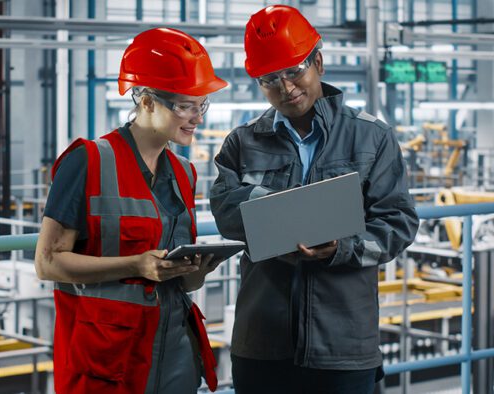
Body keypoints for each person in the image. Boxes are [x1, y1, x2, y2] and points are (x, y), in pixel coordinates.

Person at [210, 5, 419, 394]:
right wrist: (281, 215)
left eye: (294, 71)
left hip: (342, 344)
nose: (286, 87)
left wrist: (341, 248)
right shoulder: (242, 143)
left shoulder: (371, 138)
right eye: (270, 78)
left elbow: (398, 223)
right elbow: (224, 209)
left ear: (318, 62)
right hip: (263, 343)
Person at [35, 27, 227, 394]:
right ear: (147, 100)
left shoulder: (184, 172)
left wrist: (194, 272)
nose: (197, 118)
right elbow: (48, 263)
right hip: (109, 358)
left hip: (174, 353)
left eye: (201, 105)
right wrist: (136, 265)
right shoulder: (87, 162)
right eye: (185, 106)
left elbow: (176, 278)